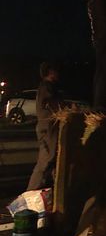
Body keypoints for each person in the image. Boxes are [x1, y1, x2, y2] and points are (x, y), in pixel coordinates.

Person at [27, 62, 64, 190]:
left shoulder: (49, 87)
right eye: (56, 70)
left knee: (51, 161)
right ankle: (30, 194)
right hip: (47, 128)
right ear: (50, 72)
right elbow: (52, 104)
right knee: (46, 161)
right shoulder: (46, 87)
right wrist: (66, 110)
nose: (58, 73)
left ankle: (49, 193)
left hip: (49, 127)